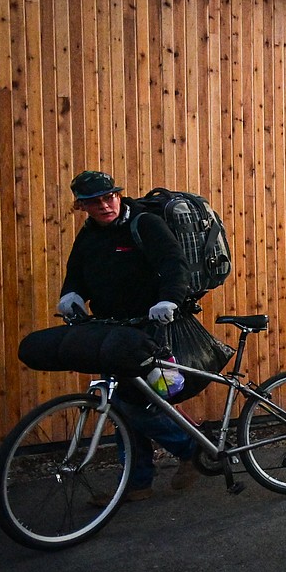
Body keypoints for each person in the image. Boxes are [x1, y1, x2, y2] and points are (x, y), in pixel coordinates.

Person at [58, 171, 200, 504]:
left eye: (109, 197)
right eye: (95, 201)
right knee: (121, 401)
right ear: (82, 206)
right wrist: (71, 295)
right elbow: (76, 273)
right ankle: (137, 482)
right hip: (110, 328)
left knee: (133, 402)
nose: (105, 205)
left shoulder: (144, 224)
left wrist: (169, 299)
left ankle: (189, 448)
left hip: (149, 325)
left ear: (118, 195)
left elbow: (174, 264)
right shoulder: (89, 234)